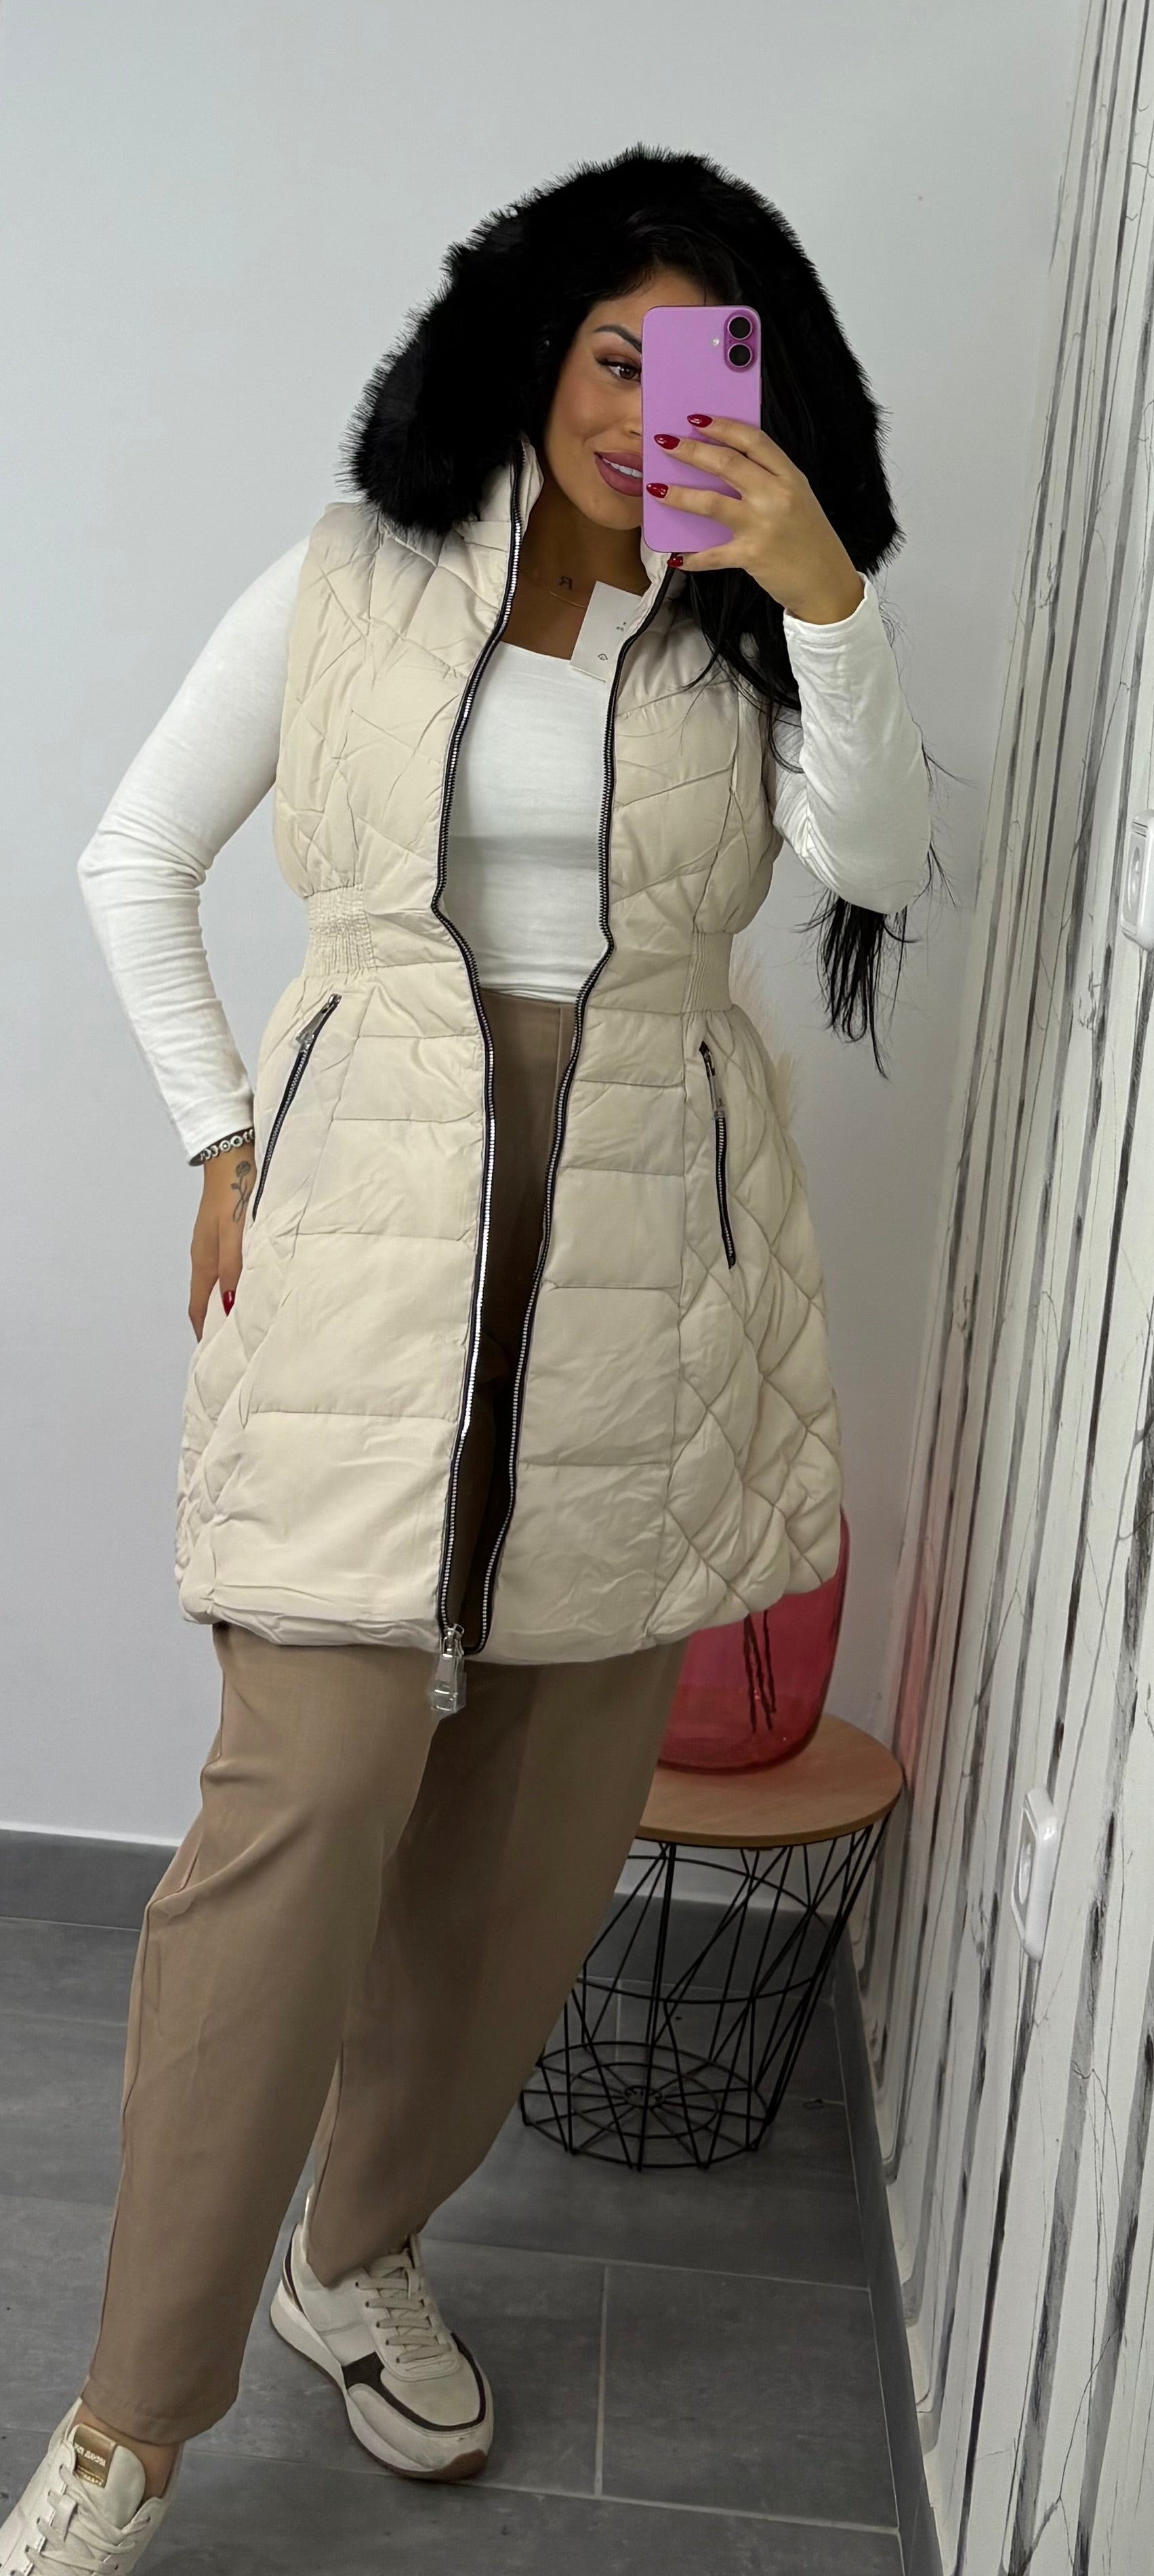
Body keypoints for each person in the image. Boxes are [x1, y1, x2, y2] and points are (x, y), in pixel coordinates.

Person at [2, 145, 931, 2570]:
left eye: (694, 365)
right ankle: (128, 2424)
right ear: (531, 348)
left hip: (638, 1256)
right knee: (300, 1810)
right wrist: (220, 1135)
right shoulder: (352, 578)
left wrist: (827, 595)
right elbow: (131, 854)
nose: (645, 410)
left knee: (526, 1853)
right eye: (613, 354)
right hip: (366, 1223)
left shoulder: (753, 627)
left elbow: (879, 866)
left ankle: (358, 2247)